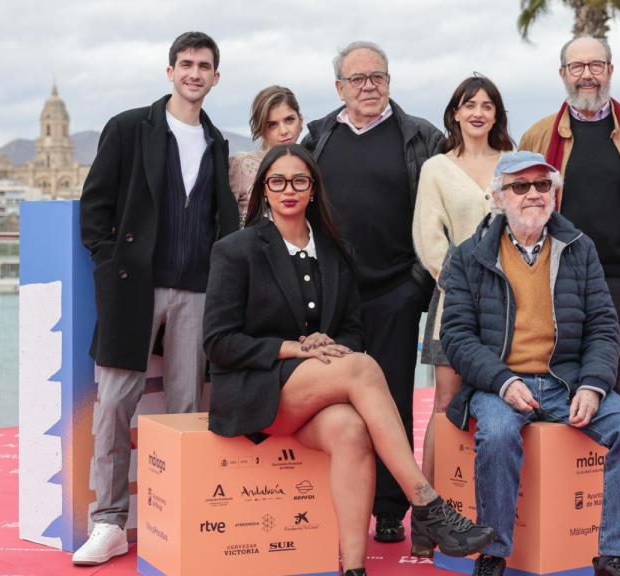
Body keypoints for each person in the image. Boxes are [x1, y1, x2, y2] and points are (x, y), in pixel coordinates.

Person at [203, 144, 496, 576]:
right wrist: (293, 348)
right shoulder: (236, 250)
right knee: (361, 366)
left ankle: (354, 569)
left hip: (313, 396)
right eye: (277, 181)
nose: (288, 190)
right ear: (264, 189)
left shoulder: (337, 252)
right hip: (256, 391)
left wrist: (326, 341)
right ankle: (427, 502)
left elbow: (352, 332)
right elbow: (218, 342)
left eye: (299, 181)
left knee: (352, 430)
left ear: (313, 189)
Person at [441, 151, 620, 576]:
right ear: (498, 198)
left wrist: (593, 385)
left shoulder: (579, 248)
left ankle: (616, 553)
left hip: (567, 382)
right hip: (499, 384)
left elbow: (604, 327)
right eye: (520, 186)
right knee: (498, 433)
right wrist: (503, 382)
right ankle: (494, 552)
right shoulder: (469, 256)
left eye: (542, 185)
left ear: (554, 193)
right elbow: (457, 336)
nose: (533, 194)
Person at [74, 31, 240, 565]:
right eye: (186, 64)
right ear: (170, 71)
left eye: (204, 66)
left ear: (216, 77)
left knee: (185, 411)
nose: (194, 73)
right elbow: (95, 205)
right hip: (134, 289)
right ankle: (108, 523)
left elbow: (219, 219)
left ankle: (176, 518)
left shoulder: (216, 142)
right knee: (113, 407)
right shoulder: (129, 128)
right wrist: (111, 265)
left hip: (197, 292)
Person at [302, 40, 444, 544]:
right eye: (357, 79)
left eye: (377, 77)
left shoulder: (421, 137)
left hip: (395, 293)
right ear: (339, 87)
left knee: (393, 400)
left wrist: (416, 287)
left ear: (389, 81)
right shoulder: (318, 137)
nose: (369, 86)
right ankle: (337, 509)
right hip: (332, 296)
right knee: (332, 403)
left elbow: (439, 216)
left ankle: (388, 508)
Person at [519, 36, 620, 404]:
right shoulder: (538, 135)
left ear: (610, 70)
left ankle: (613, 444)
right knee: (559, 384)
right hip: (556, 281)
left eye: (596, 66)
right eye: (577, 67)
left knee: (618, 388)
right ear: (563, 73)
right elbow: (518, 206)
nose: (587, 75)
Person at [411, 74, 513, 525]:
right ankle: (429, 518)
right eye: (469, 104)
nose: (478, 113)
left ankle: (494, 514)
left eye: (487, 105)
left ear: (497, 115)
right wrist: (465, 284)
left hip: (511, 306)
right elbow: (428, 239)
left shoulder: (514, 164)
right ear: (455, 112)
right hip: (454, 301)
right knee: (444, 405)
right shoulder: (436, 168)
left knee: (506, 403)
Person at [229, 85, 303, 224]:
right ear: (261, 129)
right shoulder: (241, 165)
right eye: (272, 125)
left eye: (289, 120)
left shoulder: (310, 164)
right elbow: (223, 220)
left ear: (300, 120)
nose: (283, 131)